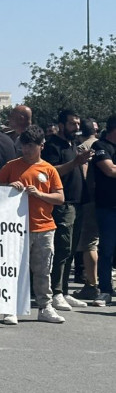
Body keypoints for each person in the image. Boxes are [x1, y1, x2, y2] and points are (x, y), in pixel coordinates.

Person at [0, 125, 65, 324]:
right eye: (24, 146)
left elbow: (60, 198)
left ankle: (45, 307)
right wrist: (8, 187)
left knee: (43, 270)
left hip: (44, 227)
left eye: (30, 146)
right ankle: (10, 307)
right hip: (16, 228)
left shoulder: (49, 169)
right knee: (13, 269)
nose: (26, 150)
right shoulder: (12, 165)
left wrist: (40, 194)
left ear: (41, 146)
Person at [41, 110, 92, 312]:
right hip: (63, 204)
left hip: (78, 202)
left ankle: (64, 290)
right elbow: (50, 172)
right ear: (61, 125)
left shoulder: (72, 144)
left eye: (78, 123)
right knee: (61, 248)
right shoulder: (52, 145)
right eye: (72, 124)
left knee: (71, 249)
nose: (76, 127)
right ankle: (55, 293)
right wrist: (75, 162)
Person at [89, 116, 116, 307]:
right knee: (106, 250)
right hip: (108, 207)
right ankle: (105, 290)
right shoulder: (101, 145)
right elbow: (109, 170)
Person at [73, 117, 100, 301]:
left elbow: (84, 176)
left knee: (89, 244)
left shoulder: (83, 148)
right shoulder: (104, 144)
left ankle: (92, 284)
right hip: (106, 202)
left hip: (90, 201)